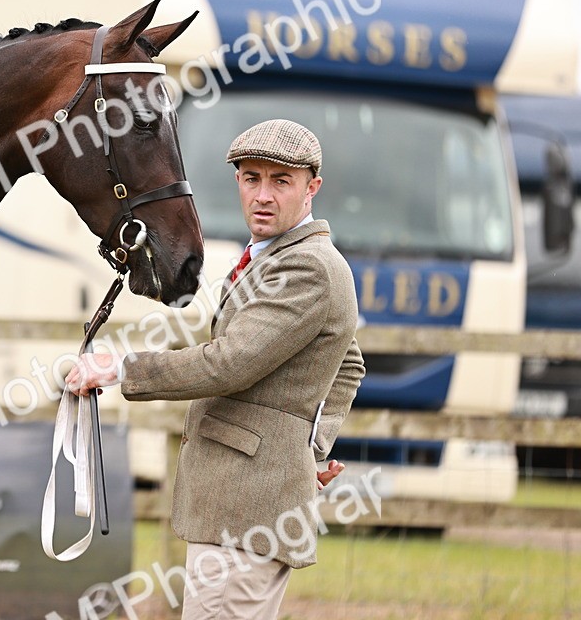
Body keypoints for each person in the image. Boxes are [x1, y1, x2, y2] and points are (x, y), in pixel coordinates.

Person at [68, 118, 366, 619]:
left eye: (281, 181)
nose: (263, 195)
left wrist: (121, 368)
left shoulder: (308, 266)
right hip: (239, 507)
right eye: (252, 179)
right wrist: (308, 451)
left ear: (312, 188)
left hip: (245, 512)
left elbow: (230, 364)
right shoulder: (275, 257)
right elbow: (350, 362)